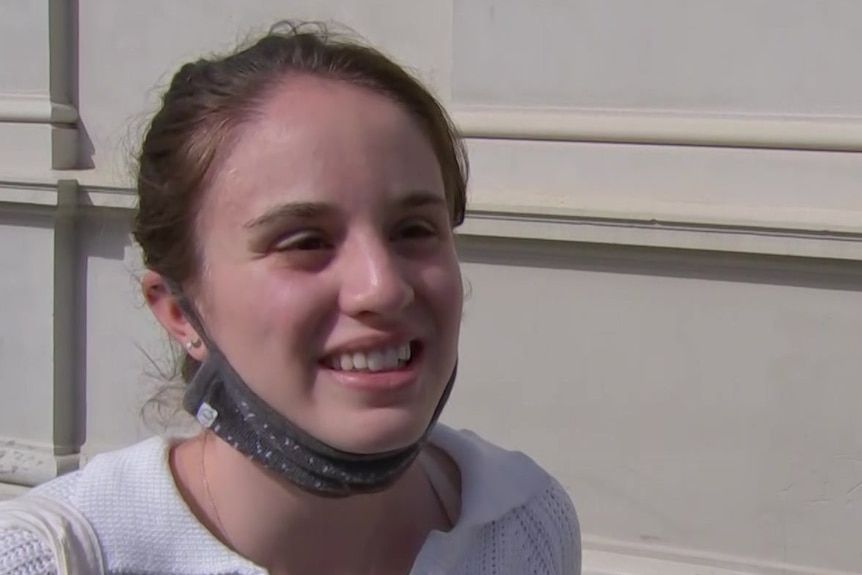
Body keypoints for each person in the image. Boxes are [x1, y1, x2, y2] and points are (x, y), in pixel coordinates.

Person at [0, 21, 580, 575]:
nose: (383, 286)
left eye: (414, 230)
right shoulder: (53, 558)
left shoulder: (522, 525)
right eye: (305, 242)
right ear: (179, 312)